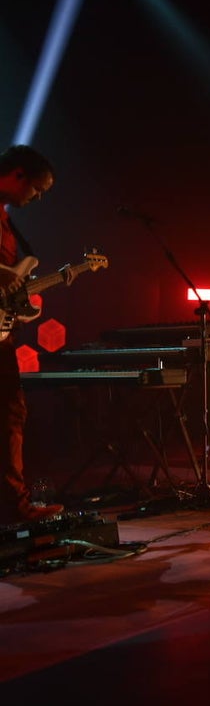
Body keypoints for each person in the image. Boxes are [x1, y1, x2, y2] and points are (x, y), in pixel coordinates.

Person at [0, 145, 68, 524]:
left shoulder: (7, 222)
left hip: (2, 336)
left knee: (11, 414)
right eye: (37, 189)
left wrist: (17, 302)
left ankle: (16, 507)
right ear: (19, 175)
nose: (37, 197)